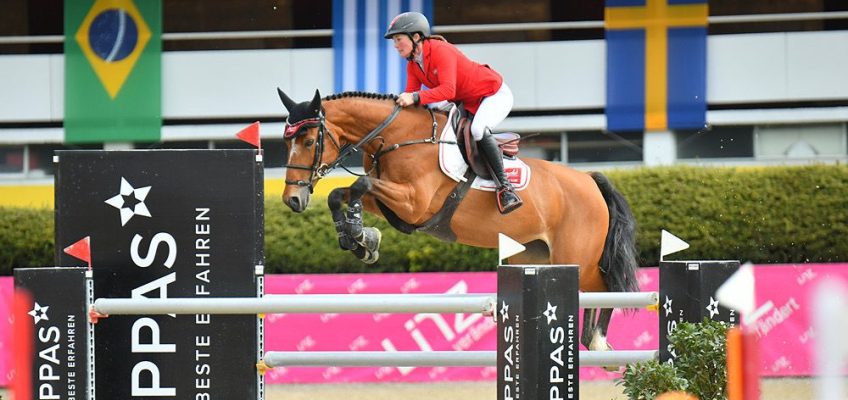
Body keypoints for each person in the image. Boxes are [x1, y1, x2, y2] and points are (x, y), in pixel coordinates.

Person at [384, 11, 523, 214]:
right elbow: (412, 99)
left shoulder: (441, 50)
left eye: (398, 39)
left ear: (416, 37)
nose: (395, 45)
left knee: (477, 130)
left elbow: (446, 90)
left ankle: (506, 188)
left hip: (493, 94)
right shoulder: (414, 66)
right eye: (394, 41)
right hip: (466, 102)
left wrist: (414, 98)